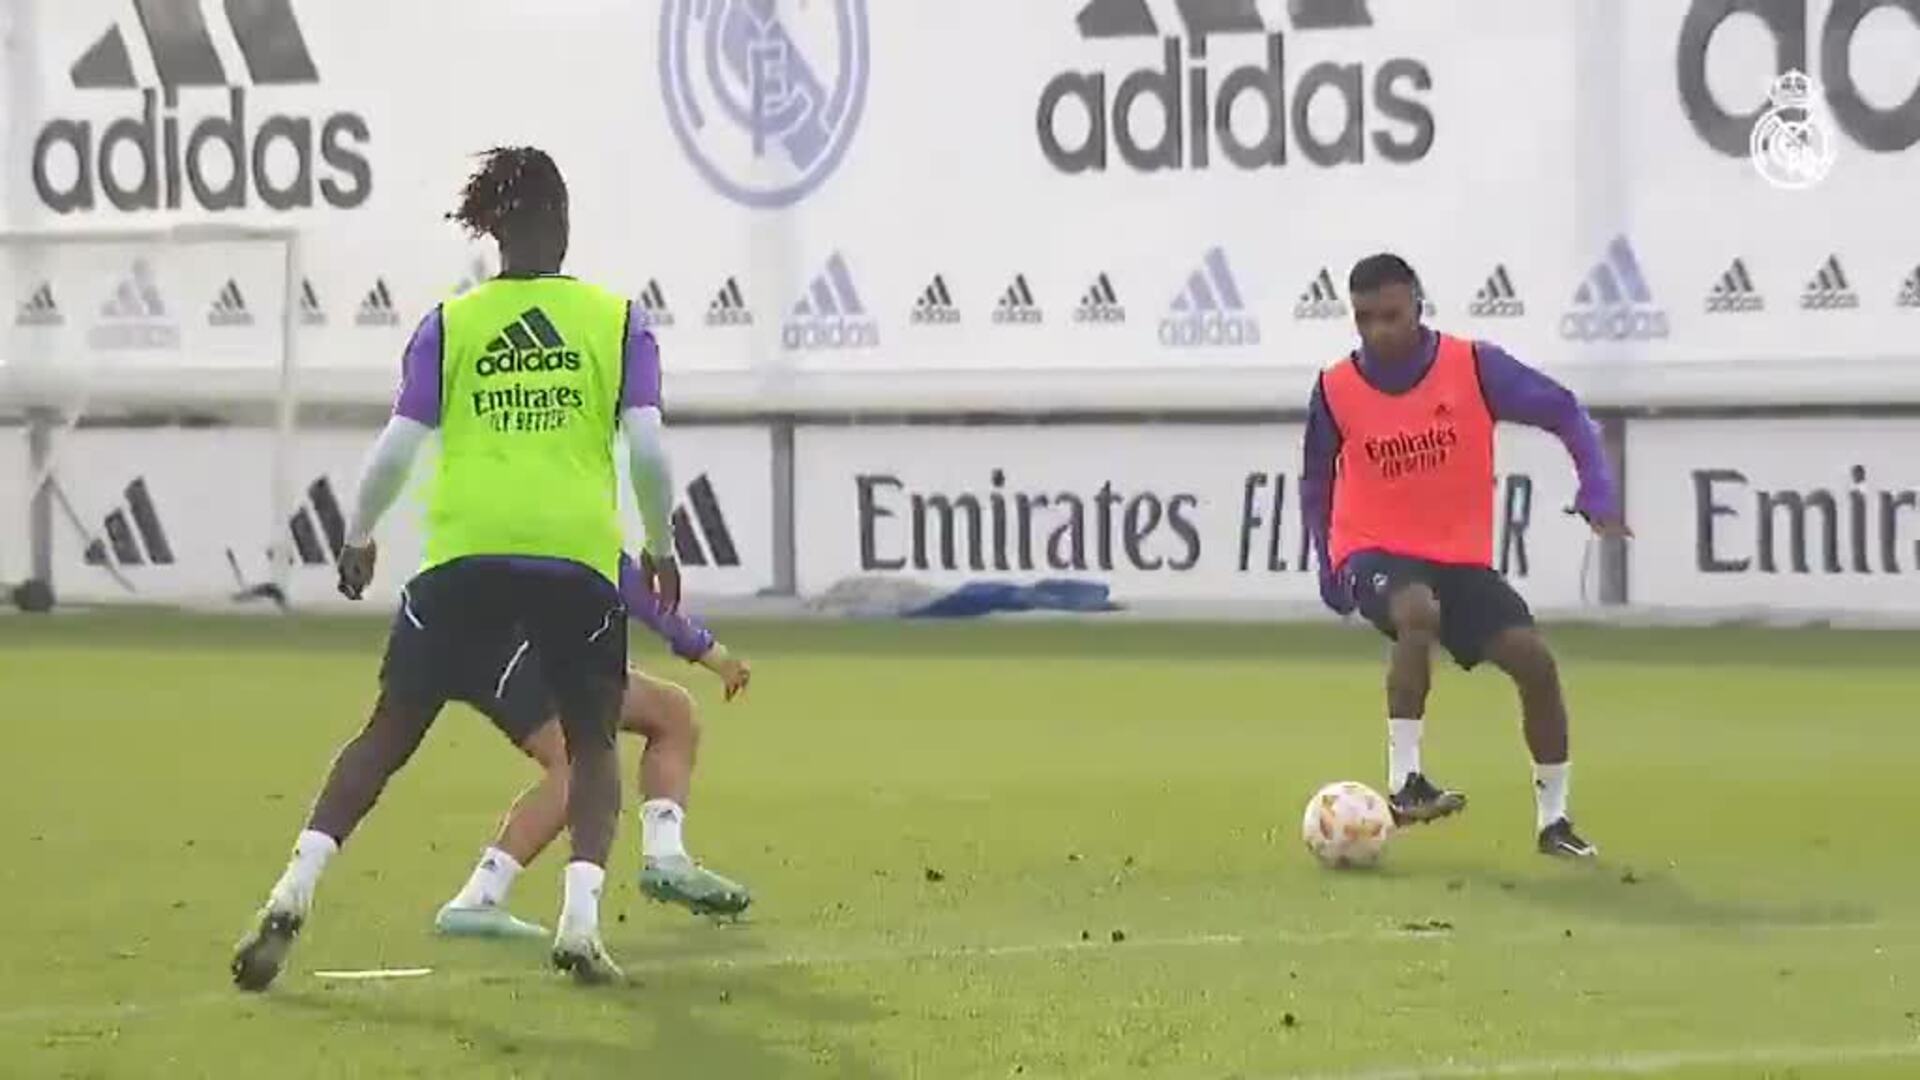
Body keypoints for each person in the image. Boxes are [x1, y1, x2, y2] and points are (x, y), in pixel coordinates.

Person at [231, 146, 678, 989]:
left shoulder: (450, 324)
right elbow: (649, 452)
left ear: (494, 232)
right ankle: (580, 924)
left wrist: (358, 535)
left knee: (386, 733)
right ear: (563, 222)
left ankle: (294, 886)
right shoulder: (617, 320)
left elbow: (396, 448)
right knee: (590, 746)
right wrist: (661, 545)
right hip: (574, 558)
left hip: (461, 554)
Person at [1300, 253, 1630, 859]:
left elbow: (1564, 411)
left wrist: (1597, 488)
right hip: (1372, 550)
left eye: (1390, 316)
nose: (1377, 331)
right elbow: (1316, 480)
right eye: (1364, 318)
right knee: (1417, 611)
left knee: (1535, 663)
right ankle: (1405, 782)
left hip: (1458, 560)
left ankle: (1554, 822)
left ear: (1418, 306)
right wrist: (1327, 562)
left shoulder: (1474, 367)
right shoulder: (1335, 388)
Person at [433, 551, 754, 940]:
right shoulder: (586, 534)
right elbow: (649, 603)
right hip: (521, 658)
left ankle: (666, 857)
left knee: (673, 712)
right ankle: (478, 896)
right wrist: (718, 658)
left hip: (528, 655)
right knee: (576, 768)